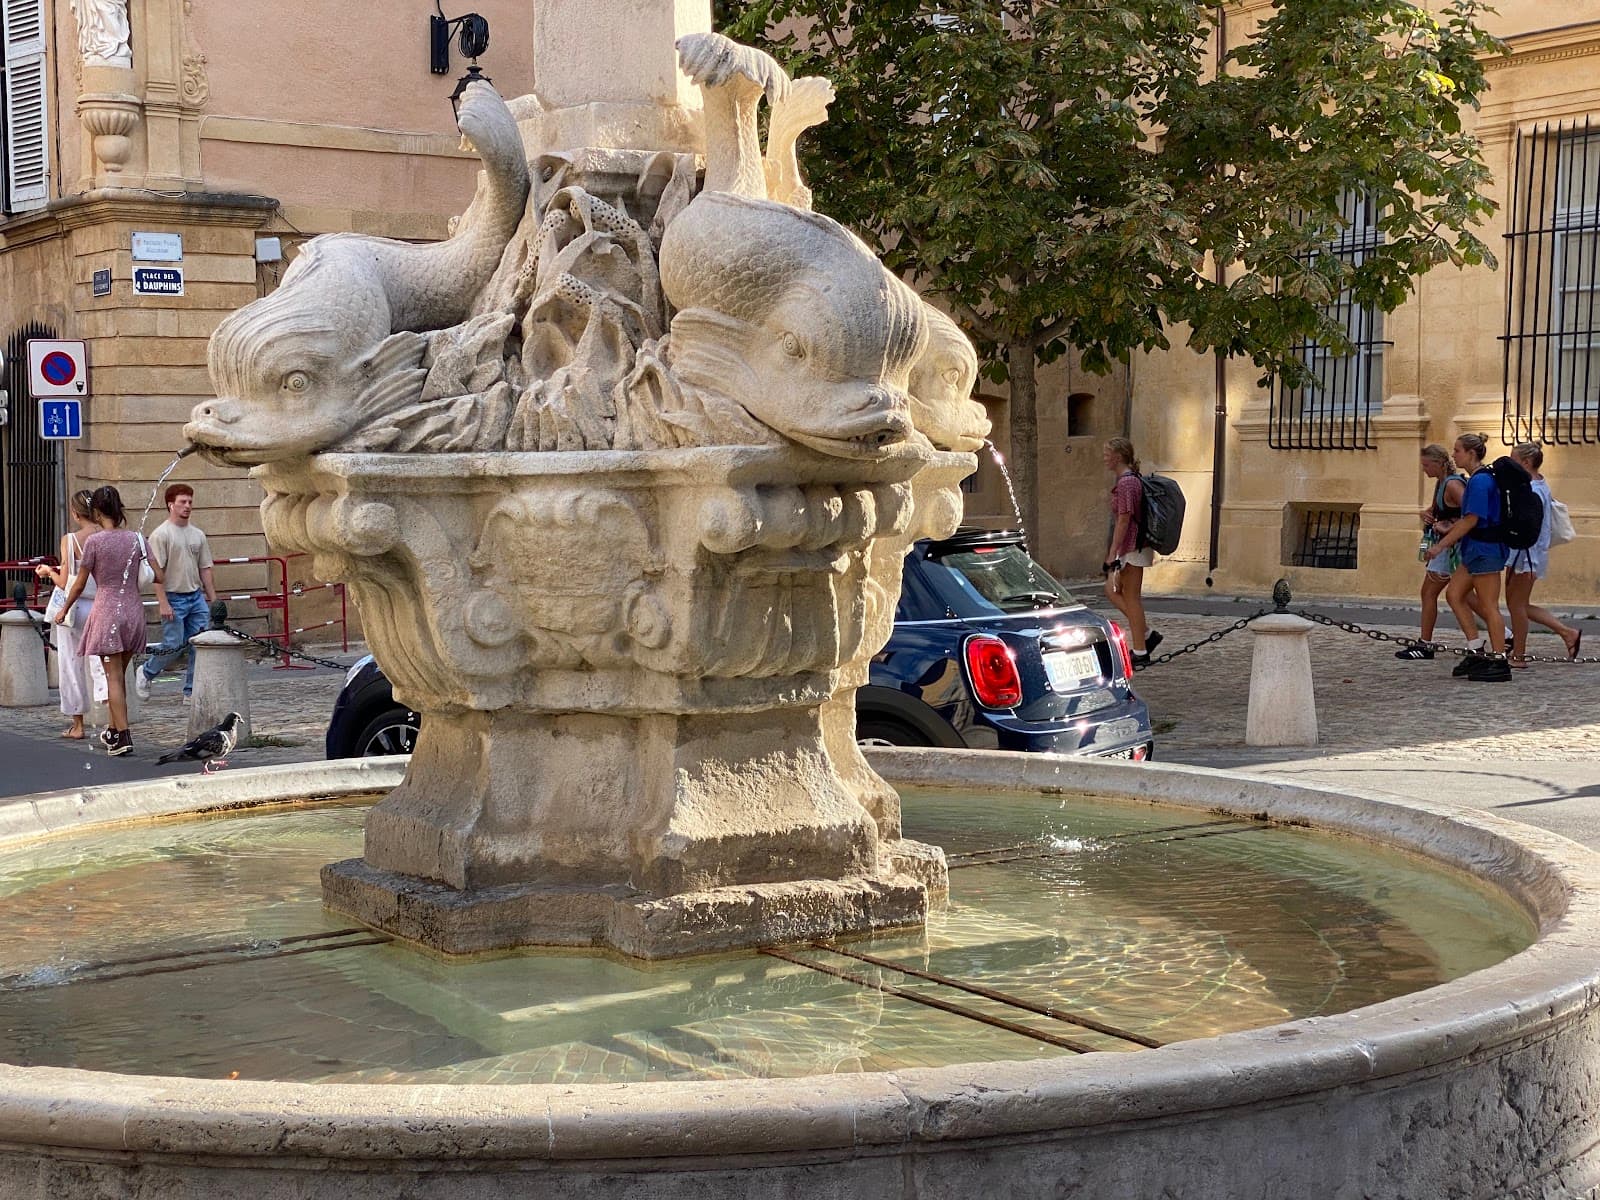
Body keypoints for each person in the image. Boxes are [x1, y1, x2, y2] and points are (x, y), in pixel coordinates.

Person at [54, 485, 160, 755]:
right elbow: (159, 575)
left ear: (97, 512)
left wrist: (64, 609)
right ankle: (113, 730)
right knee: (120, 675)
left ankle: (123, 736)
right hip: (134, 611)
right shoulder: (137, 539)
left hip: (107, 611)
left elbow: (77, 584)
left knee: (112, 677)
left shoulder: (95, 543)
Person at [1426, 433, 1510, 682]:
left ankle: (1499, 660)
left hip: (1486, 551)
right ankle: (1476, 647)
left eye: (1458, 450)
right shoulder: (1475, 480)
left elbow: (1471, 519)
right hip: (1474, 550)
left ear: (1471, 453)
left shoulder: (1480, 482)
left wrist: (1441, 545)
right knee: (1454, 594)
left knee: (1489, 606)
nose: (1454, 455)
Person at [135, 483, 216, 701]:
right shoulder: (161, 535)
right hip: (173, 595)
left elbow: (205, 567)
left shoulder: (198, 534)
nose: (187, 506)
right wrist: (163, 602)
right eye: (182, 502)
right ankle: (147, 671)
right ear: (171, 505)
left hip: (195, 596)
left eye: (190, 502)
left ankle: (191, 691)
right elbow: (156, 572)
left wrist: (213, 598)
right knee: (173, 645)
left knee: (200, 644)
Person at [1396, 444, 1476, 661]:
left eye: (1426, 465)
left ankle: (1426, 643)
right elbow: (1439, 509)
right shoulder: (1442, 483)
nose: (1424, 469)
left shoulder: (1452, 484)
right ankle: (1504, 635)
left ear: (1438, 463)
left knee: (1429, 593)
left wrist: (1448, 529)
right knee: (1467, 597)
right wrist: (1427, 514)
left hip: (1449, 547)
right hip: (1446, 545)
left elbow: (1472, 513)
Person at [1505, 442, 1581, 667]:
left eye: (1513, 459)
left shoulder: (1533, 490)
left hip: (1527, 555)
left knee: (1517, 605)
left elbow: (1532, 529)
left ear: (1526, 463)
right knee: (1517, 604)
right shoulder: (1536, 484)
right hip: (1526, 554)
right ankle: (1567, 633)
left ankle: (1519, 654)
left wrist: (1527, 559)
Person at [33, 490, 100, 738]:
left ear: (74, 513)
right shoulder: (106, 536)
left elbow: (66, 581)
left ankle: (78, 724)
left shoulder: (70, 540)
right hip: (100, 604)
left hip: (74, 606)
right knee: (102, 664)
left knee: (71, 663)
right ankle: (114, 721)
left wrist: (49, 572)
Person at [1101, 437, 1163, 665]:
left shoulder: (1127, 483)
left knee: (1130, 597)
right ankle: (1146, 635)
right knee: (1113, 590)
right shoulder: (1127, 480)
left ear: (1118, 456)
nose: (1105, 458)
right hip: (1132, 546)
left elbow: (1124, 519)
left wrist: (1112, 552)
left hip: (1133, 546)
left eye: (1107, 453)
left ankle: (1140, 650)